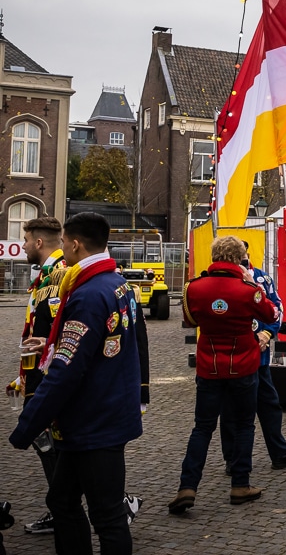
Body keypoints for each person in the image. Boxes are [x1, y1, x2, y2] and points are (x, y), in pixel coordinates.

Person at [9, 212, 143, 555]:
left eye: (66, 244)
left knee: (107, 515)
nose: (63, 250)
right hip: (104, 414)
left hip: (93, 422)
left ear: (75, 244)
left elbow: (68, 371)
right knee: (62, 500)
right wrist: (51, 345)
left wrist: (27, 426)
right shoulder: (118, 283)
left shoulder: (87, 294)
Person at [170, 237, 279, 514]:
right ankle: (240, 484)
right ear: (240, 258)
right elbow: (270, 311)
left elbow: (190, 320)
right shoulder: (247, 289)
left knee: (202, 427)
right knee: (244, 425)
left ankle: (187, 486)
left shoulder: (193, 287)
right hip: (243, 362)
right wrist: (252, 285)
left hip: (209, 364)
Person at [218, 245, 286, 473]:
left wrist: (268, 332)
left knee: (270, 406)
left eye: (243, 253)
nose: (242, 258)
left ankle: (279, 453)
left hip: (259, 359)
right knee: (231, 410)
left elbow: (277, 307)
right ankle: (233, 459)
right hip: (232, 360)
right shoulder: (218, 281)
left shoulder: (262, 277)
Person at [12, 215, 66, 535]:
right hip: (37, 374)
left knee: (49, 441)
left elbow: (61, 332)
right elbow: (37, 327)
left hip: (50, 375)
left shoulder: (60, 275)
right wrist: (22, 376)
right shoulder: (46, 274)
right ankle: (62, 506)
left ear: (40, 242)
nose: (25, 246)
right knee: (50, 442)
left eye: (27, 240)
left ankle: (65, 508)